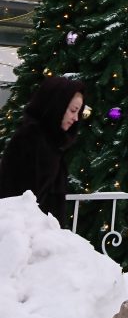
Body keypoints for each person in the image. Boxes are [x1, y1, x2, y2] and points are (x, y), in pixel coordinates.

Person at [0, 76, 85, 226]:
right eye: (73, 110)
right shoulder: (32, 140)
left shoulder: (52, 143)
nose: (76, 118)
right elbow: (23, 200)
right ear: (57, 107)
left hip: (42, 239)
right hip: (26, 239)